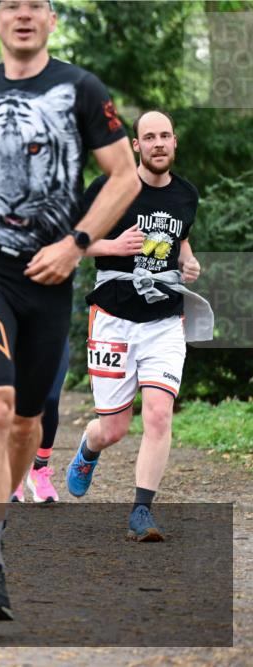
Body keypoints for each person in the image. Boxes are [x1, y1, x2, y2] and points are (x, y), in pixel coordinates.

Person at [0, 0, 140, 622]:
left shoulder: (80, 88)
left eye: (35, 5)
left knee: (27, 423)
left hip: (49, 271)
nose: (23, 15)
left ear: (51, 19)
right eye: (10, 6)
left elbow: (124, 175)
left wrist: (75, 245)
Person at [66, 110, 209, 541]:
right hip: (113, 318)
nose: (159, 143)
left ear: (175, 142)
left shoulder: (186, 195)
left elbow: (179, 238)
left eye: (165, 135)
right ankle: (89, 448)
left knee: (160, 414)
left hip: (164, 319)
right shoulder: (113, 189)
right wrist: (111, 244)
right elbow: (69, 240)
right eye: (150, 137)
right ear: (136, 145)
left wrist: (188, 260)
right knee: (113, 428)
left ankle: (142, 511)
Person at [12, 342, 67, 503]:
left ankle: (39, 469)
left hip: (53, 323)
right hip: (13, 327)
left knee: (51, 398)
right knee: (14, 395)